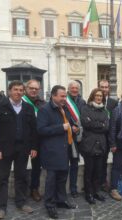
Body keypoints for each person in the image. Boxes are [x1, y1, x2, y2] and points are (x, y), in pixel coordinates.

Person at [0, 80, 38, 219]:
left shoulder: (28, 108)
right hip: (4, 149)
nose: (18, 92)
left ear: (24, 92)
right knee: (3, 178)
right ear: (10, 91)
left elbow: (33, 130)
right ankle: (1, 206)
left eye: (21, 90)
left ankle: (21, 202)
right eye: (15, 89)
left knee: (21, 176)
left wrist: (34, 147)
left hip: (23, 148)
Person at [37, 85, 78, 219]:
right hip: (52, 152)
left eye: (65, 96)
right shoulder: (44, 110)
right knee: (51, 180)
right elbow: (41, 130)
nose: (64, 98)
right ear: (53, 96)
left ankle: (61, 200)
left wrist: (73, 128)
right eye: (62, 96)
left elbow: (68, 124)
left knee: (62, 178)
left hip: (65, 149)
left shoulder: (64, 108)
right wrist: (61, 127)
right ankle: (50, 205)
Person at [79, 88, 109, 204]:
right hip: (89, 144)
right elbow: (86, 123)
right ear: (92, 96)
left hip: (101, 144)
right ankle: (88, 193)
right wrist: (99, 125)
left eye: (100, 96)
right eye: (96, 95)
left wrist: (94, 124)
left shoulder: (105, 111)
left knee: (98, 171)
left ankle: (96, 191)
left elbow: (106, 126)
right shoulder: (85, 109)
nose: (98, 98)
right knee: (89, 171)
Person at [22, 79, 46, 202]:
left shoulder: (42, 103)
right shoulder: (20, 102)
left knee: (37, 166)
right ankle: (20, 192)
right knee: (20, 167)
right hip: (23, 140)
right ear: (26, 88)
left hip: (38, 140)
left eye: (36, 89)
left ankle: (34, 189)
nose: (34, 90)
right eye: (31, 88)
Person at [66, 80, 86, 198]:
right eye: (72, 88)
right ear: (68, 89)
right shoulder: (64, 100)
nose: (74, 90)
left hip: (78, 136)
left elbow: (83, 117)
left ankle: (73, 188)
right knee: (63, 164)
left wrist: (80, 128)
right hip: (66, 136)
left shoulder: (82, 102)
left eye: (76, 88)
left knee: (74, 163)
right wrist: (70, 126)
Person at [98, 79, 118, 191]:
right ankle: (95, 181)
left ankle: (103, 181)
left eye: (106, 87)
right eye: (102, 87)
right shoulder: (92, 101)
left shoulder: (113, 103)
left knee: (104, 160)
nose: (104, 89)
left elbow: (114, 120)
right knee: (95, 160)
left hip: (107, 136)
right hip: (95, 136)